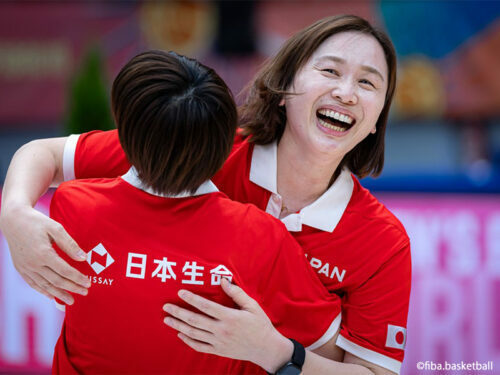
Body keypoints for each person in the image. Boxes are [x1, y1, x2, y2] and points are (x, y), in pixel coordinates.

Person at [0, 15, 410, 375]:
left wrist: (277, 353)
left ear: (378, 119)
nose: (347, 93)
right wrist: (14, 213)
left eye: (368, 82)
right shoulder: (199, 144)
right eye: (331, 71)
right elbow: (46, 155)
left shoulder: (384, 243)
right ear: (284, 85)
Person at [48, 49, 345, 374]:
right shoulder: (260, 235)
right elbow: (330, 348)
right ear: (225, 143)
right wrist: (273, 349)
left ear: (122, 133)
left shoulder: (72, 205)